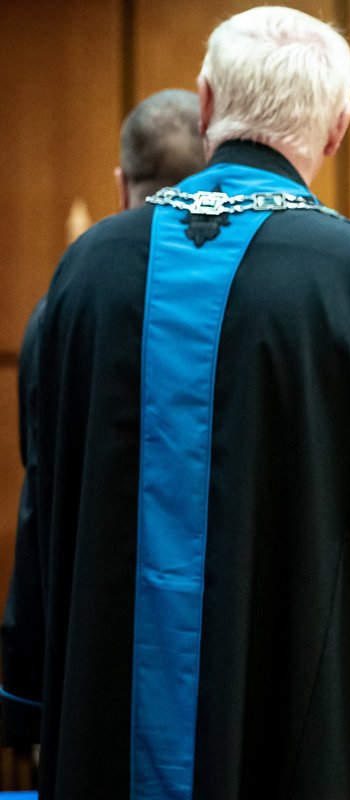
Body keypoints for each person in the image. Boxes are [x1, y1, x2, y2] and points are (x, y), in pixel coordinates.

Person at [8, 7, 350, 799]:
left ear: (205, 104)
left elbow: (44, 498)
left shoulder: (86, 270)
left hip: (105, 723)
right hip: (304, 723)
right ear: (337, 129)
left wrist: (26, 694)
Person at [1, 87, 206, 755]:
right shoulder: (248, 307)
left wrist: (25, 689)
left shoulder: (61, 309)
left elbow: (43, 490)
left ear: (122, 186)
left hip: (95, 646)